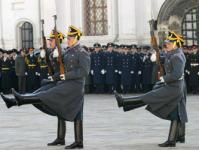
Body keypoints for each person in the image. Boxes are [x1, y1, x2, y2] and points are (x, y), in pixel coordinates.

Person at [1, 25, 90, 149]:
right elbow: (61, 69)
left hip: (75, 85)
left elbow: (84, 71)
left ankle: (21, 100)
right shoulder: (69, 51)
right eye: (68, 37)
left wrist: (65, 76)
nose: (68, 40)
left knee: (46, 95)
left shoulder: (82, 52)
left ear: (77, 38)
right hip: (67, 83)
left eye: (71, 38)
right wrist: (54, 77)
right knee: (63, 107)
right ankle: (69, 139)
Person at [114, 31, 187, 147]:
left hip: (174, 87)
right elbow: (165, 57)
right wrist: (157, 55)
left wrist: (164, 79)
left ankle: (124, 102)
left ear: (175, 44)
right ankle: (172, 140)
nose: (166, 45)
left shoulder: (178, 56)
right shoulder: (173, 53)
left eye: (169, 43)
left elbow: (177, 74)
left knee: (150, 97)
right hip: (173, 87)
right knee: (174, 113)